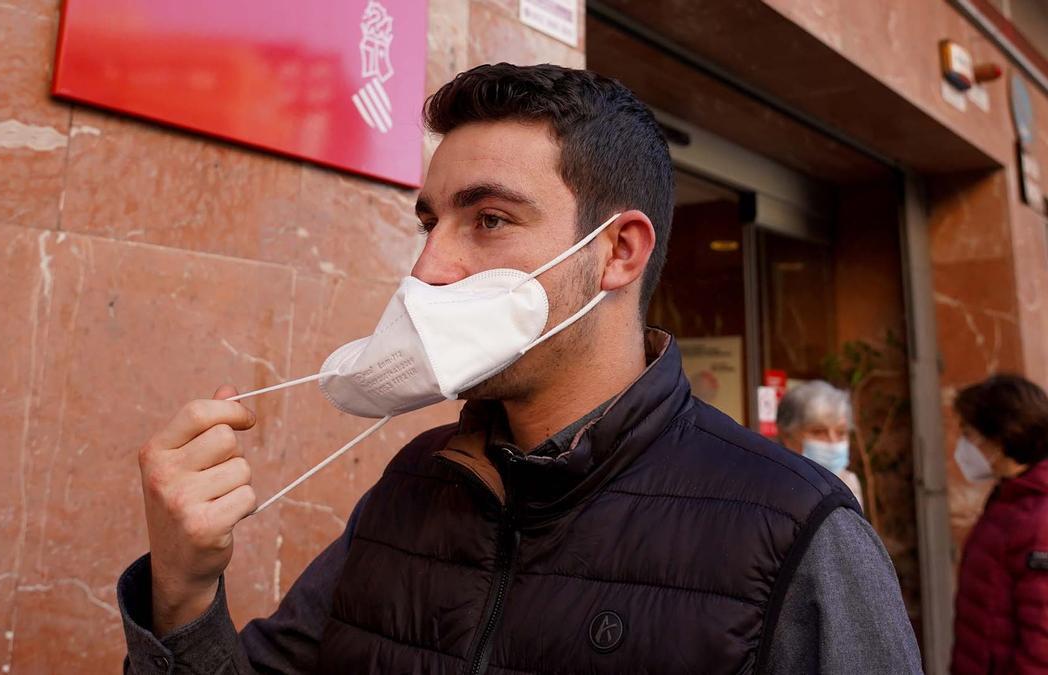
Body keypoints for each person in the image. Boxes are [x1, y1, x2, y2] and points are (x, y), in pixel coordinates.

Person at [117, 64, 922, 673]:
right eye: (432, 220)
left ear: (617, 252)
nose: (428, 267)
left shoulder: (795, 529)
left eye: (489, 219)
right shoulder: (415, 484)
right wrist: (183, 594)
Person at [950, 374, 1048, 674]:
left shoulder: (1037, 519)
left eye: (968, 433)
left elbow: (1041, 642)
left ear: (999, 437)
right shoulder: (1008, 501)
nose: (962, 445)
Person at [777, 380, 864, 507]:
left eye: (841, 432)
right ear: (787, 435)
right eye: (818, 432)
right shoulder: (771, 487)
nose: (833, 442)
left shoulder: (849, 483)